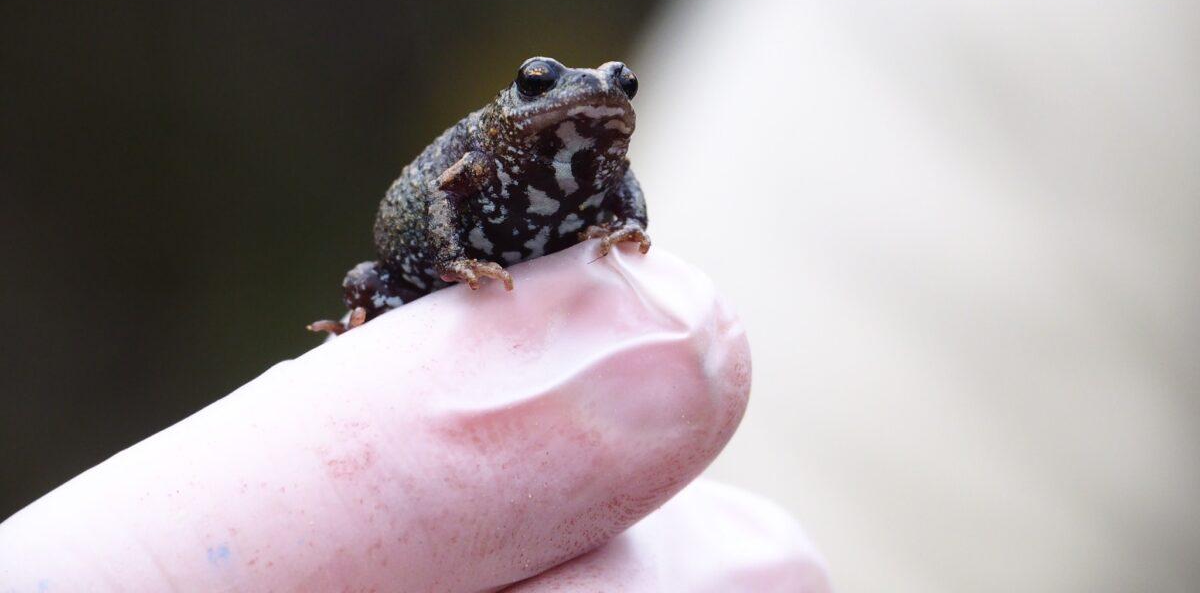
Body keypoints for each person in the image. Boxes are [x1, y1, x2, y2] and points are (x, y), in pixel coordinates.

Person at [0, 245, 830, 592]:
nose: (587, 99)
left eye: (621, 90)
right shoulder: (491, 147)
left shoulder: (598, 162)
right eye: (542, 84)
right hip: (426, 285)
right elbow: (405, 220)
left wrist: (628, 228)